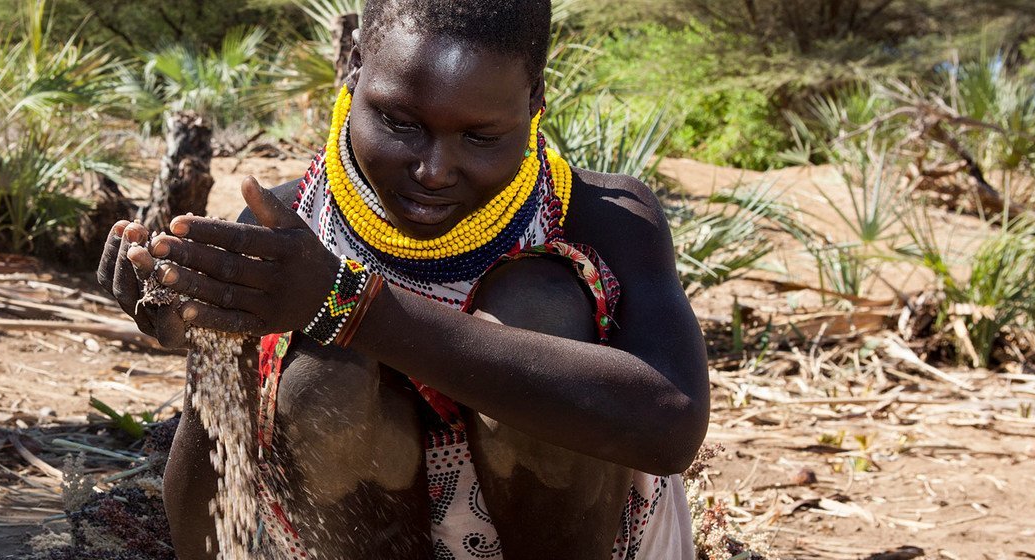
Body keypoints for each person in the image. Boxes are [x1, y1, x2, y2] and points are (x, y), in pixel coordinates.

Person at [98, 0, 709, 557]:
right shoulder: (286, 236)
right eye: (399, 122)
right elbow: (205, 541)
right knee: (320, 372)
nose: (434, 170)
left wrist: (349, 306)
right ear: (355, 64)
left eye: (480, 136)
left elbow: (671, 426)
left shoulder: (602, 217)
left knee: (537, 306)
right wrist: (216, 346)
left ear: (534, 99)